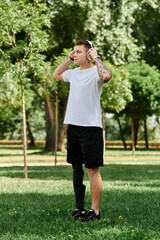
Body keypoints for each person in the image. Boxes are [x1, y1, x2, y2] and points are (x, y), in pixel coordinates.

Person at [53, 40, 112, 222]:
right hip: (73, 126)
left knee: (92, 170)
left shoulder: (96, 73)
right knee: (76, 168)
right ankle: (81, 209)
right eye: (73, 51)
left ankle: (95, 211)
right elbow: (56, 74)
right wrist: (69, 60)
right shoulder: (73, 74)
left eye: (78, 51)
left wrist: (96, 57)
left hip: (91, 128)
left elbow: (107, 76)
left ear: (88, 54)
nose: (74, 53)